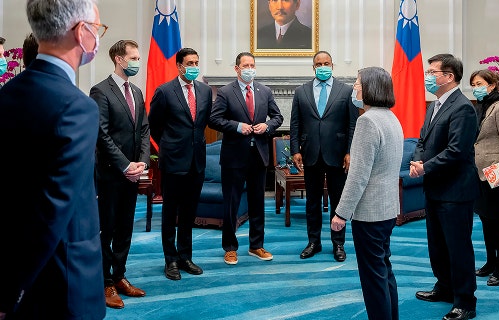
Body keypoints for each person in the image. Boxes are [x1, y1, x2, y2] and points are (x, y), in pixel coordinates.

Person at [0, 0, 106, 318]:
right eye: (98, 29)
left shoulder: (7, 94)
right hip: (64, 280)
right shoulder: (78, 107)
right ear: (81, 31)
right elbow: (51, 210)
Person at [331, 66, 404, 320]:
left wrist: (341, 212)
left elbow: (358, 175)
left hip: (370, 213)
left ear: (371, 88)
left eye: (358, 83)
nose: (354, 88)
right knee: (384, 270)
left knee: (373, 279)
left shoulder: (367, 121)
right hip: (387, 208)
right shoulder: (391, 117)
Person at [409, 53, 479, 320]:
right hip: (435, 187)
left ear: (449, 77)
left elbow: (457, 151)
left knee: (458, 246)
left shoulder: (462, 107)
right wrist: (417, 159)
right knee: (437, 244)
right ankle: (444, 286)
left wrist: (425, 166)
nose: (428, 76)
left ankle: (465, 302)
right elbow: (422, 139)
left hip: (455, 191)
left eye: (432, 72)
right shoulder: (434, 105)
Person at [90, 39, 149, 308]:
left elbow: (145, 131)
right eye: (133, 58)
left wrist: (142, 163)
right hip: (112, 174)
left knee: (126, 227)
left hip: (133, 174)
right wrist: (126, 165)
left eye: (138, 57)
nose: (137, 62)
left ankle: (120, 276)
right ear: (119, 59)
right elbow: (101, 135)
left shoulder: (137, 92)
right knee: (108, 229)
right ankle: (105, 283)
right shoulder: (100, 91)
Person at [210, 52, 283, 265]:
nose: (250, 68)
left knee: (257, 203)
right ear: (236, 69)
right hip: (234, 157)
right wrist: (236, 126)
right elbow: (215, 119)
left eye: (252, 65)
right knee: (231, 204)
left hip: (258, 156)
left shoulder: (264, 91)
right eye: (245, 65)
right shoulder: (225, 92)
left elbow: (278, 117)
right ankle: (230, 247)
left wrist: (267, 126)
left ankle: (256, 245)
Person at [148, 47, 212, 281]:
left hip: (197, 162)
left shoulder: (205, 91)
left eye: (197, 62)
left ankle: (185, 256)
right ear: (179, 66)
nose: (194, 66)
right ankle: (170, 259)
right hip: (174, 161)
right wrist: (170, 144)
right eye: (190, 63)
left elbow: (203, 122)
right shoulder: (165, 91)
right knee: (170, 212)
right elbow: (154, 125)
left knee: (189, 212)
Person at [290, 50, 358, 262]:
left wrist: (350, 151)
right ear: (313, 67)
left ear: (332, 65)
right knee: (312, 201)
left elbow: (352, 124)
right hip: (310, 154)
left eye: (326, 63)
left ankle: (338, 244)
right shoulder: (301, 91)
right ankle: (314, 242)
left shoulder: (346, 91)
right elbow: (295, 124)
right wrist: (295, 150)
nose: (322, 66)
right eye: (318, 64)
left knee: (339, 201)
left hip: (337, 155)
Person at [469, 69, 499, 287]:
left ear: (492, 85)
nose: (475, 88)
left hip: (496, 175)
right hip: (480, 174)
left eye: (479, 84)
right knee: (486, 220)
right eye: (473, 84)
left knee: (496, 222)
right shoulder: (480, 108)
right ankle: (489, 261)